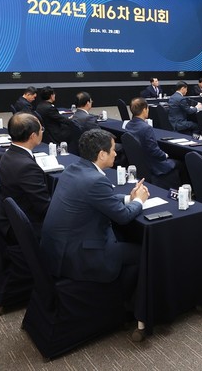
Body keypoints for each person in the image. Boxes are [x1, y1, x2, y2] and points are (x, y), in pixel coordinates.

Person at [40, 129, 149, 342]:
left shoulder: (74, 169)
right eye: (113, 150)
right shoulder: (96, 181)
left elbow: (100, 198)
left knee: (124, 238)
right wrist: (139, 201)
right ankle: (135, 309)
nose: (116, 154)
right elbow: (123, 217)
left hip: (60, 249)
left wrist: (128, 198)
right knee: (145, 252)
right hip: (80, 256)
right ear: (101, 154)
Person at [0, 113, 50, 239]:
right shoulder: (27, 167)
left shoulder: (8, 153)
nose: (42, 132)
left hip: (10, 216)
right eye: (41, 129)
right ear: (33, 136)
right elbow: (44, 206)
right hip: (25, 225)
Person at [125, 97, 180, 186]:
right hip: (154, 165)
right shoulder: (146, 128)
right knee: (179, 163)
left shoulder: (128, 125)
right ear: (144, 109)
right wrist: (165, 155)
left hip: (141, 163)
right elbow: (153, 150)